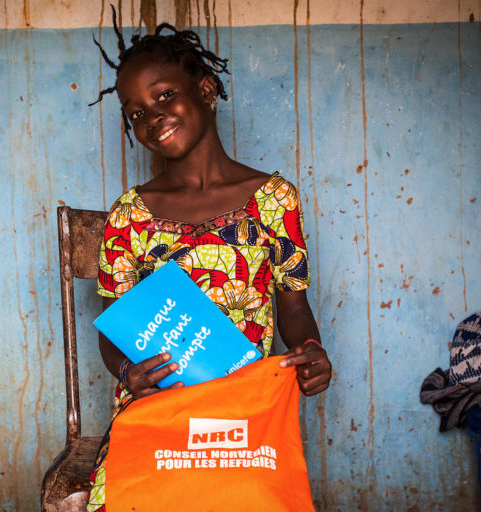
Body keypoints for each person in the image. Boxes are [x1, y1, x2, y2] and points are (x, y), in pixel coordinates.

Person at [87, 10, 332, 510]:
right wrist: (127, 376)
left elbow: (294, 309)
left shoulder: (271, 199)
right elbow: (112, 334)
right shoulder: (130, 216)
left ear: (205, 90)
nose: (151, 116)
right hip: (158, 411)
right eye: (135, 112)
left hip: (242, 418)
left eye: (163, 95)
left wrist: (311, 351)